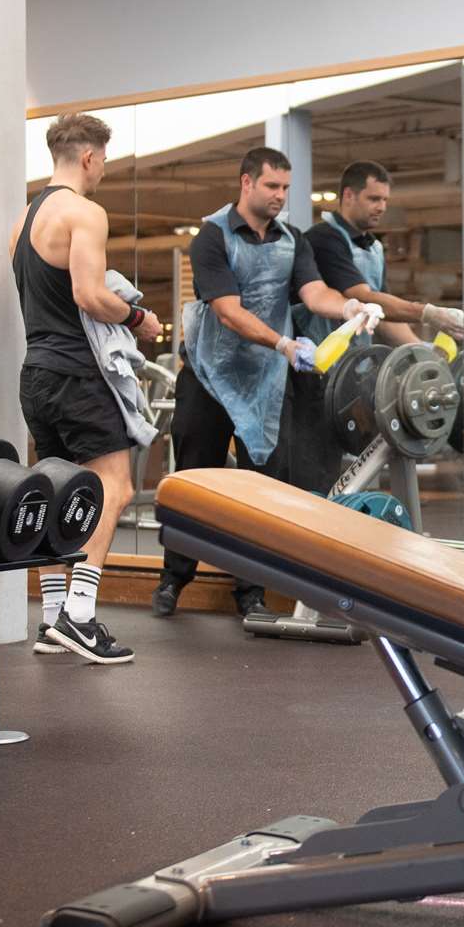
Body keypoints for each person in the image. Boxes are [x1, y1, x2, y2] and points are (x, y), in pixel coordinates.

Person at [151, 147, 382, 618]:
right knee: (196, 480)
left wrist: (348, 309)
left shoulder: (293, 239)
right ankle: (173, 579)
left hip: (265, 384)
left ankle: (251, 591)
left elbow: (313, 292)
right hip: (209, 377)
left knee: (263, 492)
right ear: (246, 184)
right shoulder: (212, 236)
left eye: (284, 188)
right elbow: (228, 310)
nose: (279, 196)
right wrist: (283, 344)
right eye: (271, 186)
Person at [11, 112, 160, 665]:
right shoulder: (85, 212)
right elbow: (89, 295)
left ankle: (51, 617)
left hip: (37, 375)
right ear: (90, 158)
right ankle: (79, 616)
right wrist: (137, 316)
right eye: (104, 163)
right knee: (115, 488)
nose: (102, 173)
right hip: (77, 374)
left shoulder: (24, 221)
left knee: (61, 491)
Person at [292, 159, 464, 492]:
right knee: (322, 472)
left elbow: (384, 314)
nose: (382, 207)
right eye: (374, 199)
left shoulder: (373, 247)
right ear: (348, 195)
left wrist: (422, 353)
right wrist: (427, 312)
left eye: (385, 200)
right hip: (319, 376)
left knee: (362, 467)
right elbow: (362, 296)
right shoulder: (324, 240)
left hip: (359, 374)